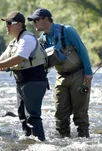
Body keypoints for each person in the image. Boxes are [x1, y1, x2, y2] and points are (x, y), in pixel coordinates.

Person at [0, 11, 48, 141]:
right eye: (6, 23)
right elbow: (0, 60)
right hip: (22, 82)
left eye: (9, 23)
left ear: (19, 24)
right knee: (22, 115)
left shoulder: (27, 39)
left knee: (32, 116)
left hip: (34, 81)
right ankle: (29, 141)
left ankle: (41, 143)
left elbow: (18, 58)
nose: (6, 26)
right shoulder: (14, 42)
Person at [27, 8, 93, 138]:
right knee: (60, 113)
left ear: (46, 19)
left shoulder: (67, 31)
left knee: (80, 112)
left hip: (78, 74)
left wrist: (88, 72)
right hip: (61, 77)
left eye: (36, 20)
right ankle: (63, 141)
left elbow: (82, 49)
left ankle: (84, 139)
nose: (34, 23)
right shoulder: (42, 40)